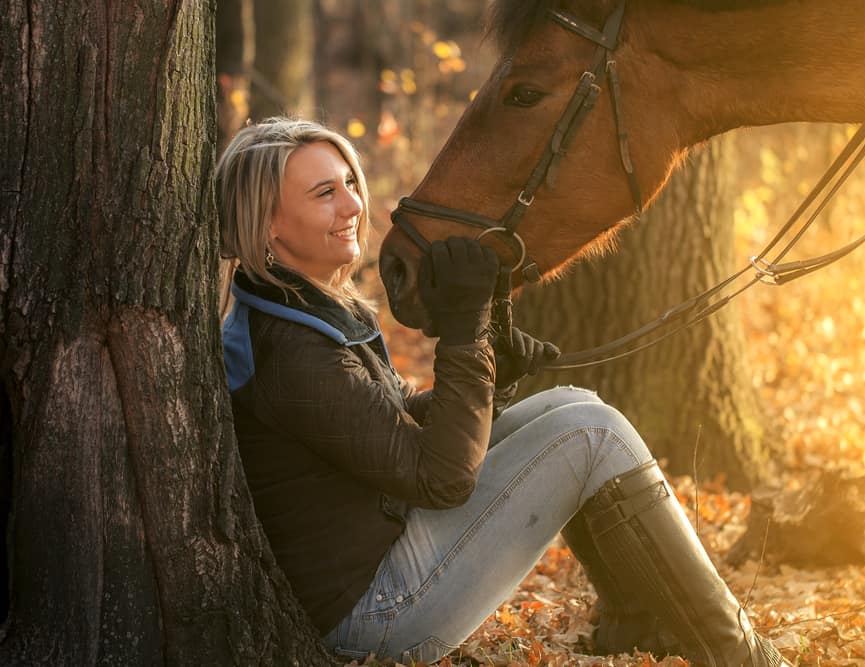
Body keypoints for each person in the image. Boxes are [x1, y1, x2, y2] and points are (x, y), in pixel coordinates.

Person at [216, 117, 789, 667]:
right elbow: (440, 476)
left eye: (348, 183)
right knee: (593, 435)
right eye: (324, 194)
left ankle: (635, 619)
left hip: (384, 546)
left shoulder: (296, 308)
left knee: (573, 406)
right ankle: (739, 653)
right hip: (376, 614)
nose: (352, 206)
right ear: (268, 224)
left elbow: (397, 424)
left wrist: (491, 365)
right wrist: (464, 333)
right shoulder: (291, 350)